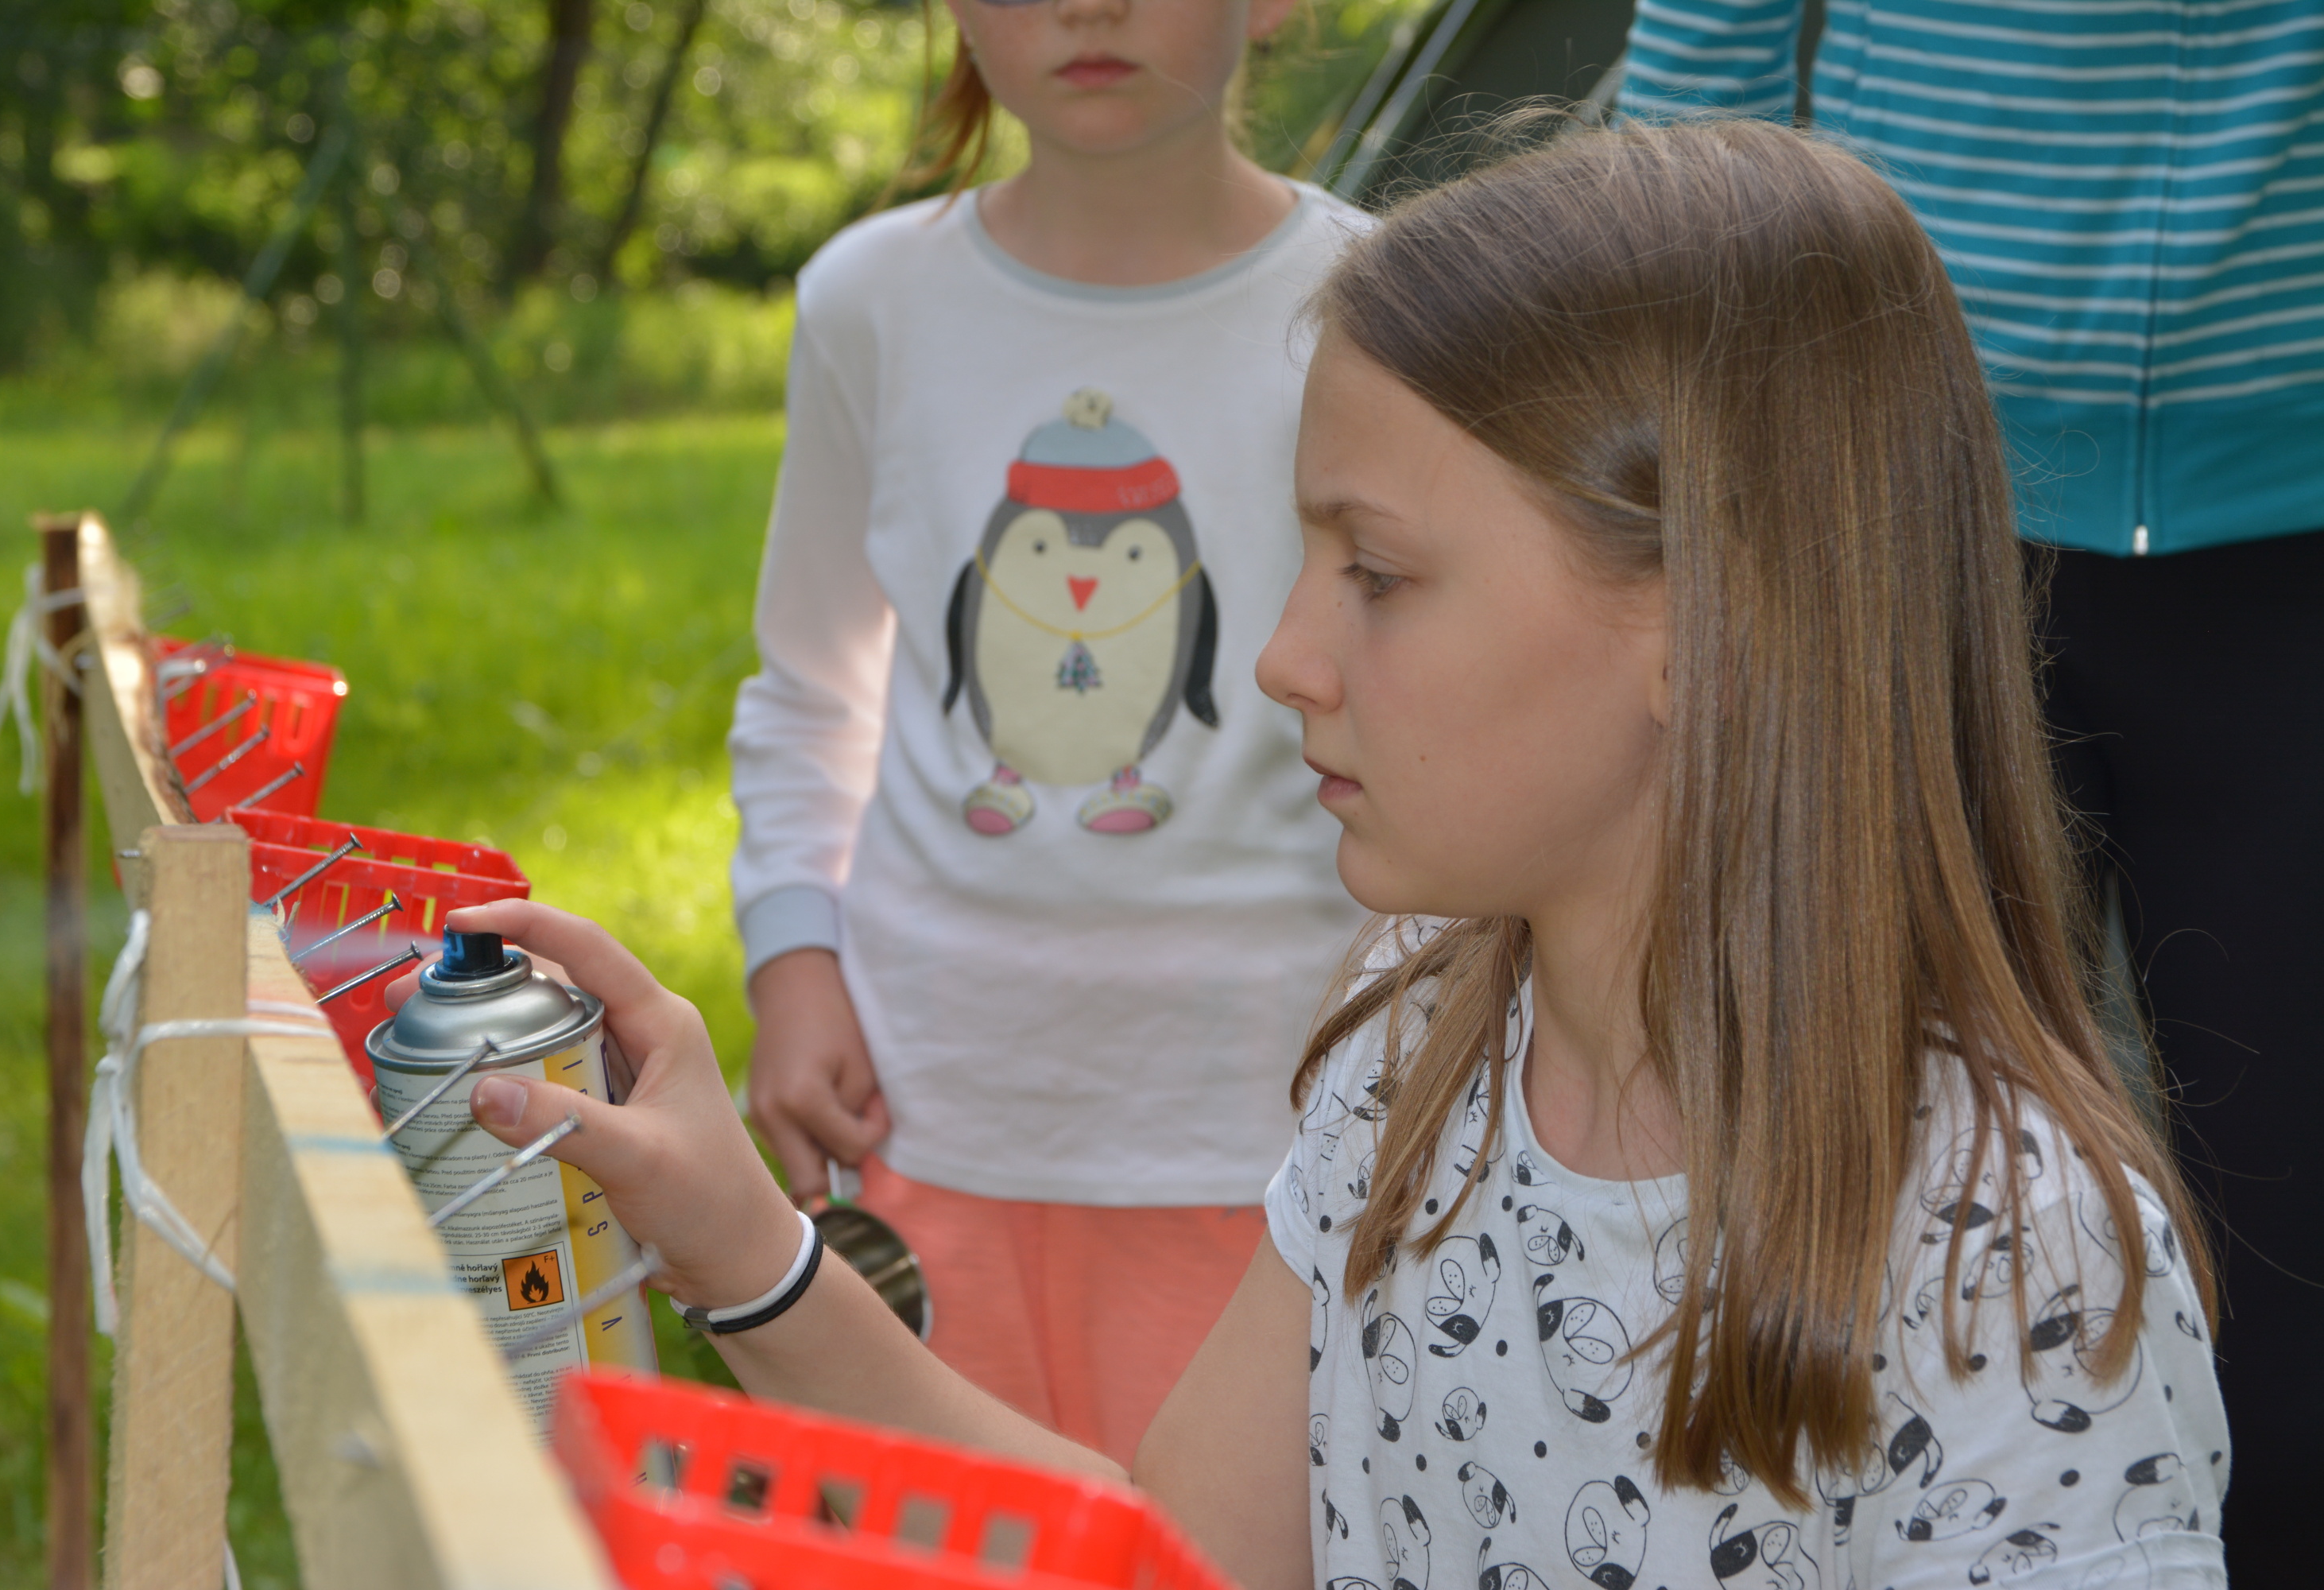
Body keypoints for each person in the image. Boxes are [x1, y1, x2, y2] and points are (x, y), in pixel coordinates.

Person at [475, 118, 2227, 1588]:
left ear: (1709, 621)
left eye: (1376, 575)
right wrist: (742, 1246)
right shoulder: (1419, 1043)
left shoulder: (2017, 1271)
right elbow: (1164, 1558)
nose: (1282, 659)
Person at [1617, 8, 2323, 1576]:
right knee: (1862, 1189)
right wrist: (1653, 409)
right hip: (1899, 481)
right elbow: (1712, 36)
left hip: (2297, 511)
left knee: (2299, 1278)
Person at [724, 0, 1368, 1465]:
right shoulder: (869, 301)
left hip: (1272, 1132)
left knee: (1210, 1550)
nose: (1087, 7)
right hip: (930, 1108)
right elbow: (811, 683)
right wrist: (792, 959)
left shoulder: (1380, 303)